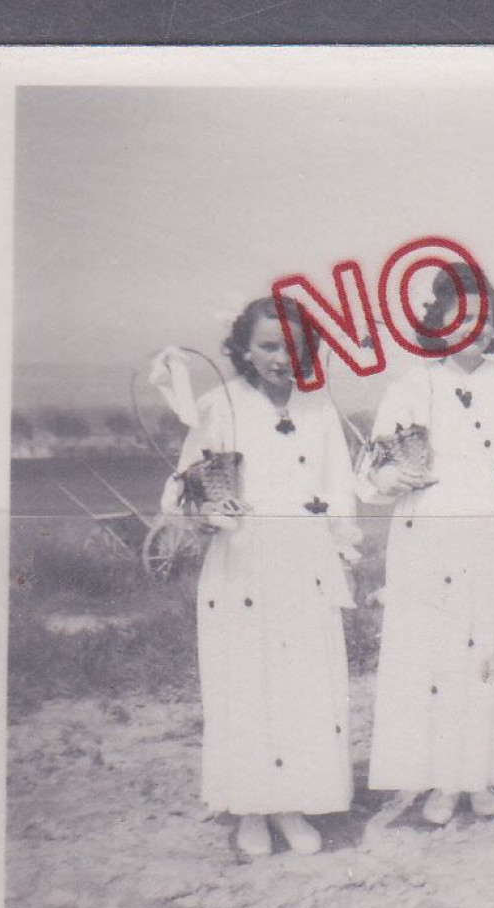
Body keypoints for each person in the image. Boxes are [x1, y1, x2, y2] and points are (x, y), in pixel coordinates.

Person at [161, 296, 361, 857]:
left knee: (302, 687)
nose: (281, 357)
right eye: (269, 346)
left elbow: (339, 486)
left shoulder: (319, 408)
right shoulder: (220, 405)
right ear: (244, 350)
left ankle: (293, 805)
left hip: (304, 563)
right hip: (243, 564)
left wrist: (343, 546)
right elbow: (183, 485)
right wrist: (208, 513)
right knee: (248, 686)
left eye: (292, 346)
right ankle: (251, 809)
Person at [357, 266, 494, 825]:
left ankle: (487, 773)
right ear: (438, 324)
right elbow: (376, 465)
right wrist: (390, 479)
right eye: (461, 317)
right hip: (432, 537)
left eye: (485, 319)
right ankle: (444, 779)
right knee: (439, 655)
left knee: (491, 654)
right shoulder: (411, 387)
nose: (475, 329)